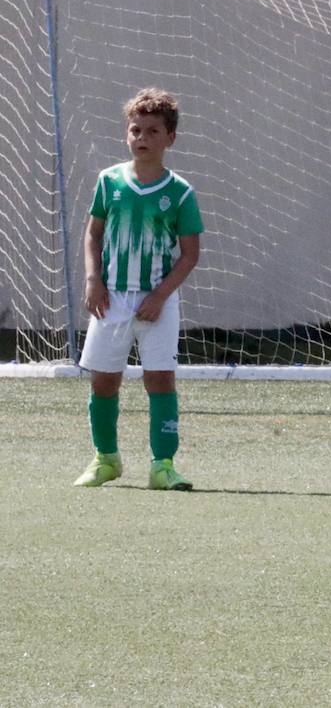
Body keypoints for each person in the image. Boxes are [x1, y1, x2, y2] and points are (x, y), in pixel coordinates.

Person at [73, 88, 204, 491]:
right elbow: (93, 234)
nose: (142, 138)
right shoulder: (108, 181)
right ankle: (106, 458)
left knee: (160, 378)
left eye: (152, 131)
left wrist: (160, 295)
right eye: (135, 130)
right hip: (111, 298)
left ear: (170, 139)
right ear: (127, 135)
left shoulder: (179, 192)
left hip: (157, 302)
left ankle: (162, 465)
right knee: (103, 380)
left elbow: (189, 254)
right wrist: (93, 280)